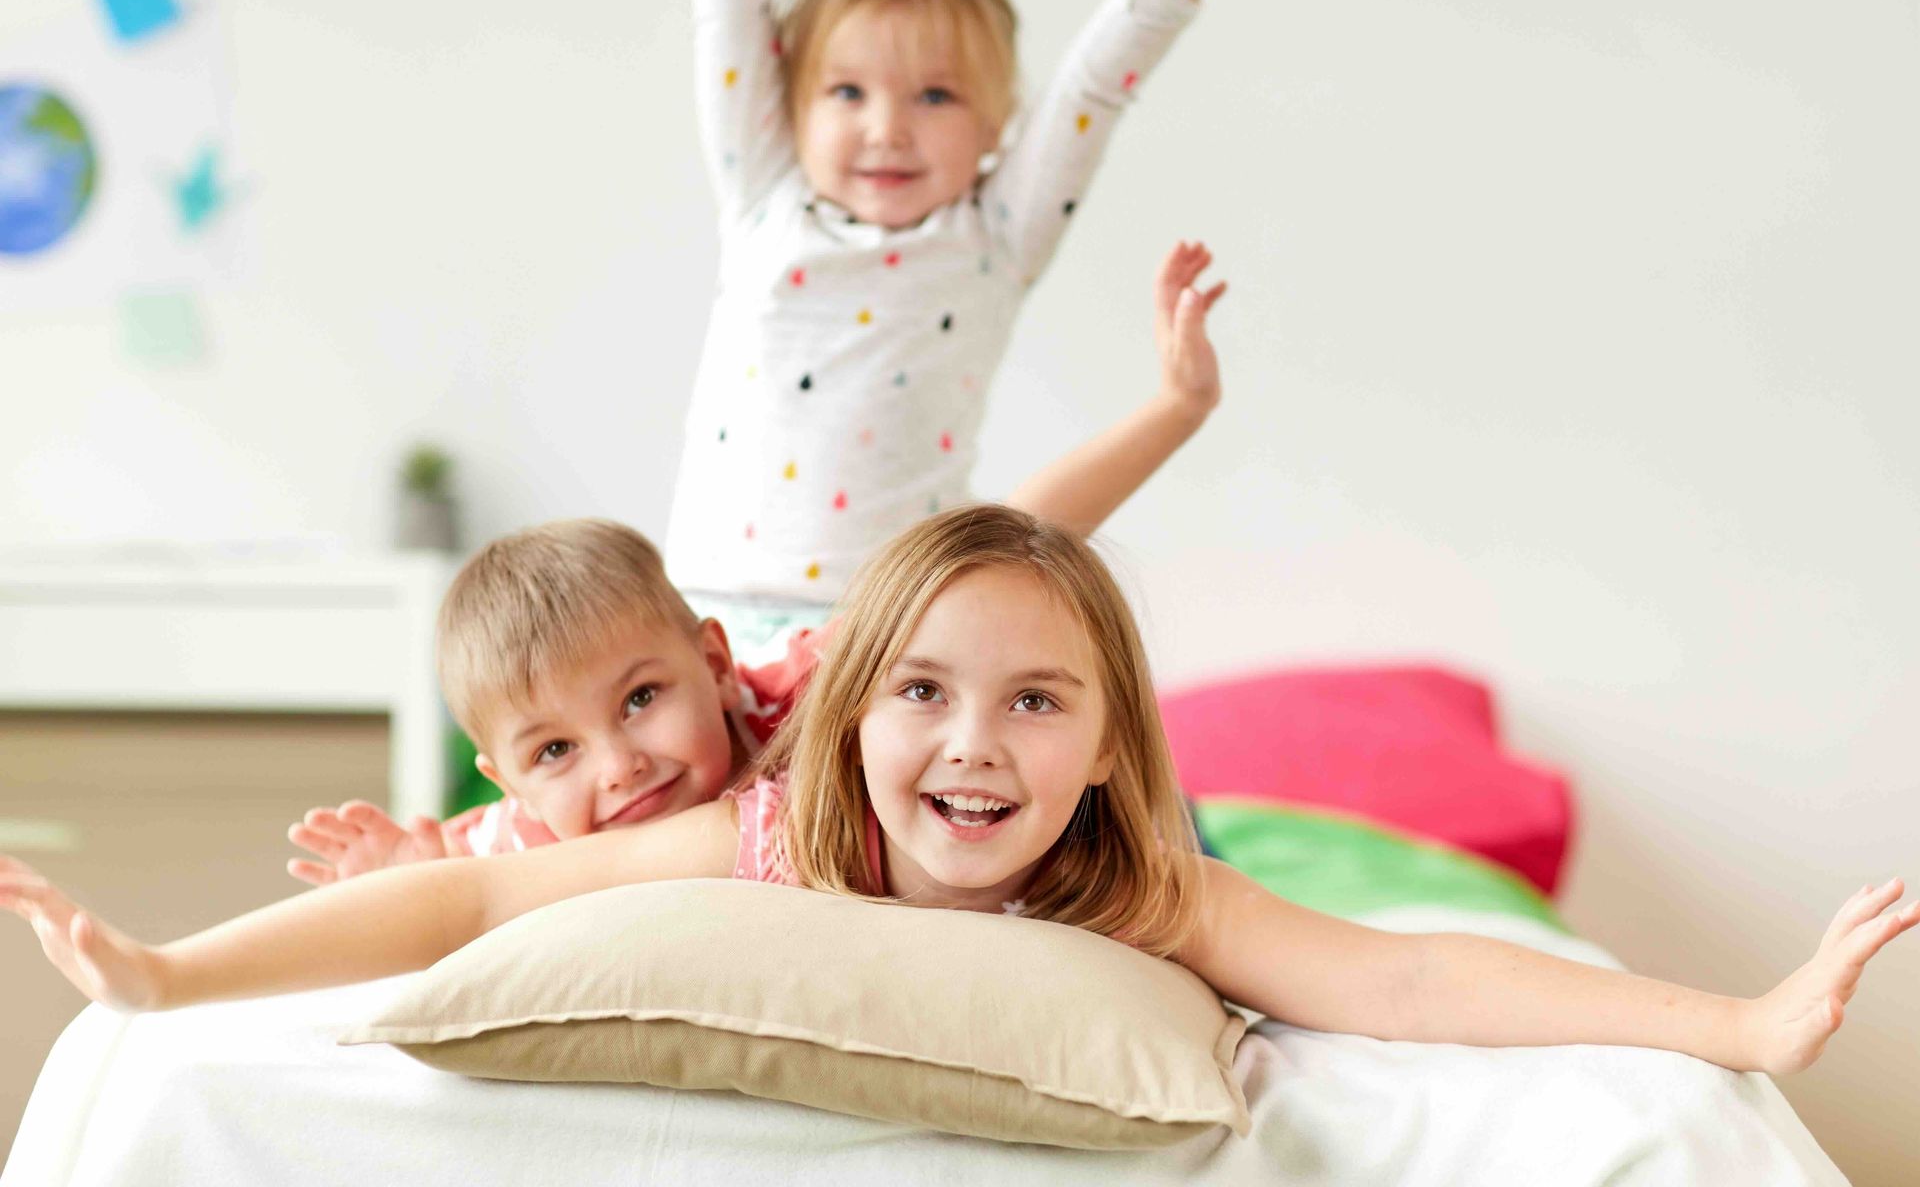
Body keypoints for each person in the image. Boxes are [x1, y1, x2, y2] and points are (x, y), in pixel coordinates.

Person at [5, 505, 1911, 1081]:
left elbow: (1402, 978)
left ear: (1104, 746)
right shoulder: (769, 826)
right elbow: (480, 906)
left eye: (1034, 703)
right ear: (843, 719)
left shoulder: (1122, 880)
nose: (971, 748)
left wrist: (1734, 1022)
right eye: (918, 693)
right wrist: (175, 973)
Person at [285, 241, 1228, 884]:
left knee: (1148, 834)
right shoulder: (512, 841)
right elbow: (427, 903)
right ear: (504, 778)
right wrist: (394, 883)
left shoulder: (803, 700)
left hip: (1080, 824)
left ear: (718, 663)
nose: (619, 766)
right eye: (555, 751)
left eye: (641, 698)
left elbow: (993, 551)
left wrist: (1174, 411)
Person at [666, 0, 1277, 639]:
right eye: (847, 92)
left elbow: (1096, 84)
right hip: (705, 611)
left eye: (935, 96)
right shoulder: (765, 201)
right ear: (791, 106)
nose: (886, 128)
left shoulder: (996, 237)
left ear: (995, 123)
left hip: (882, 624)